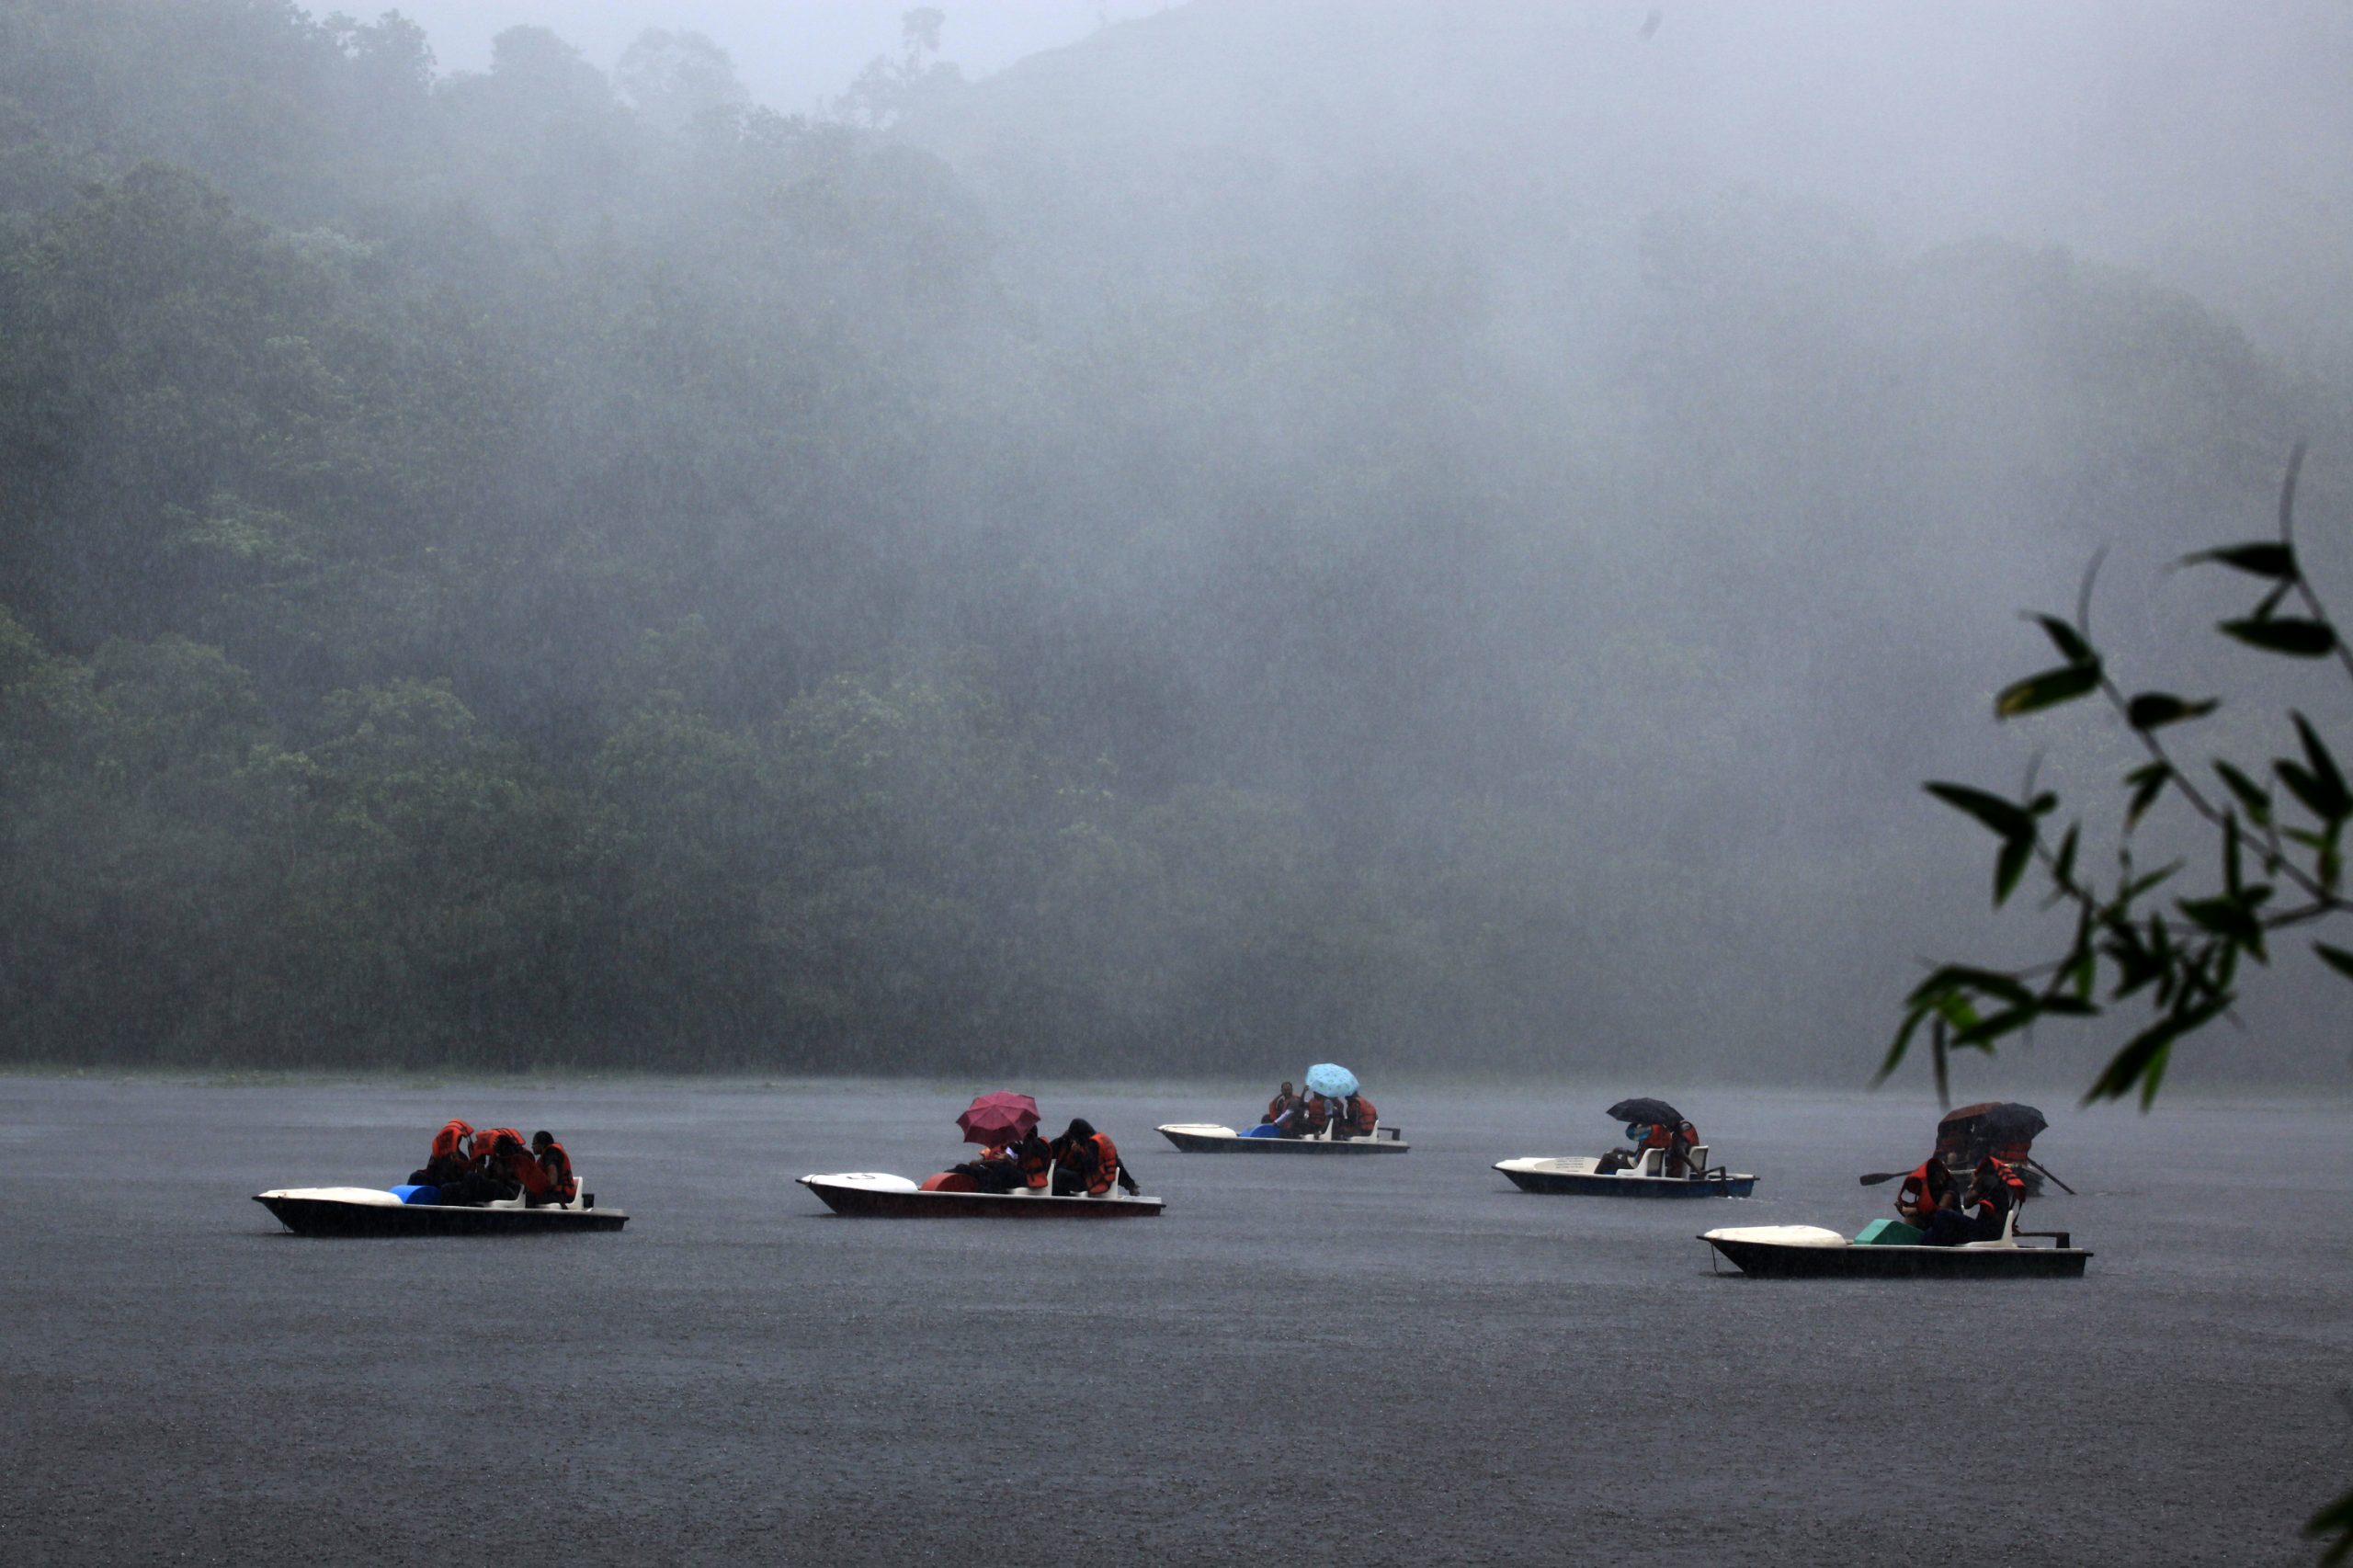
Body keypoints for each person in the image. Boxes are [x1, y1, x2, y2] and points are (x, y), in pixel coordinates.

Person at [1916, 1154, 2029, 1246]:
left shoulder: (1984, 1181)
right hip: (1992, 1232)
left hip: (1983, 1233)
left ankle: (1925, 1250)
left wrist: (1973, 1184)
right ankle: (1929, 1246)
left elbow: (1967, 1203)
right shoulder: (1998, 1185)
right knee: (1943, 1227)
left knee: (1942, 1214)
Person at [1051, 1118, 1141, 1197]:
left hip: (1092, 1182)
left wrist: (1129, 1184)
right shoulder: (1074, 1141)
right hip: (1082, 1177)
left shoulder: (1094, 1145)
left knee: (1059, 1174)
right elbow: (1049, 1152)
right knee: (1056, 1171)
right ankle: (1061, 1197)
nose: (1072, 1139)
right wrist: (1061, 1139)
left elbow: (1091, 1167)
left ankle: (1062, 1201)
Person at [407, 1119, 477, 1187]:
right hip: (436, 1183)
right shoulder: (438, 1152)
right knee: (415, 1176)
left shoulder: (461, 1157)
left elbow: (464, 1178)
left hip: (450, 1187)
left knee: (446, 1185)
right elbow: (430, 1171)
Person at [1895, 1155, 1957, 1229]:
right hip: (1933, 1224)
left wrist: (1916, 1211)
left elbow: (1941, 1212)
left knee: (1912, 1216)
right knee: (1911, 1217)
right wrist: (1904, 1209)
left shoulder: (1949, 1189)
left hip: (1948, 1227)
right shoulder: (1931, 1188)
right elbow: (1924, 1208)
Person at [519, 1130, 577, 1206]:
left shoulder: (550, 1154)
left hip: (562, 1196)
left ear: (542, 1145)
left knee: (526, 1199)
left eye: (534, 1143)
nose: (532, 1146)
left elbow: (552, 1181)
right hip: (561, 1194)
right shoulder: (550, 1154)